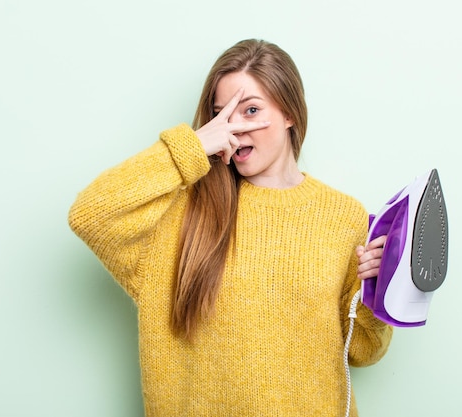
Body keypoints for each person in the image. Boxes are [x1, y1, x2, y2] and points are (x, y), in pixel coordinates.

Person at [68, 38, 393, 417]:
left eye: (251, 110)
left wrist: (377, 291)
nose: (235, 128)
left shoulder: (344, 216)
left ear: (290, 113)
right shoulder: (178, 214)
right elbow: (90, 215)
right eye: (222, 114)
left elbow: (363, 351)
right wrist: (191, 145)